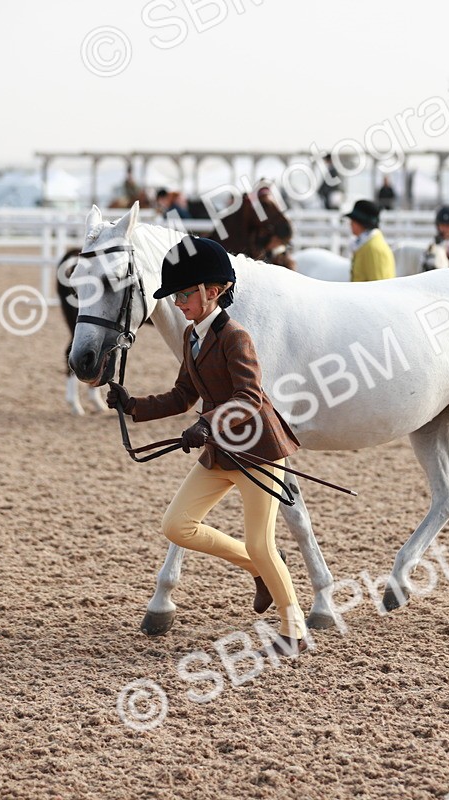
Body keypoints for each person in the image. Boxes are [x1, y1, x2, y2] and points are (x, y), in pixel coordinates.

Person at [104, 237, 308, 657]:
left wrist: (207, 423)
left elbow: (250, 396)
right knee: (177, 525)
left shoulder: (236, 337)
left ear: (211, 291)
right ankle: (260, 569)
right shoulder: (190, 338)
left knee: (261, 541)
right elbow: (182, 395)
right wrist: (133, 405)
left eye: (183, 294)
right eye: (175, 296)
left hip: (257, 450)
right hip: (219, 450)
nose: (178, 303)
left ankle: (294, 628)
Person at [343, 199, 395, 281]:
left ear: (360, 222)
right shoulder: (367, 245)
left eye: (353, 220)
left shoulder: (373, 248)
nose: (350, 223)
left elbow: (379, 287)